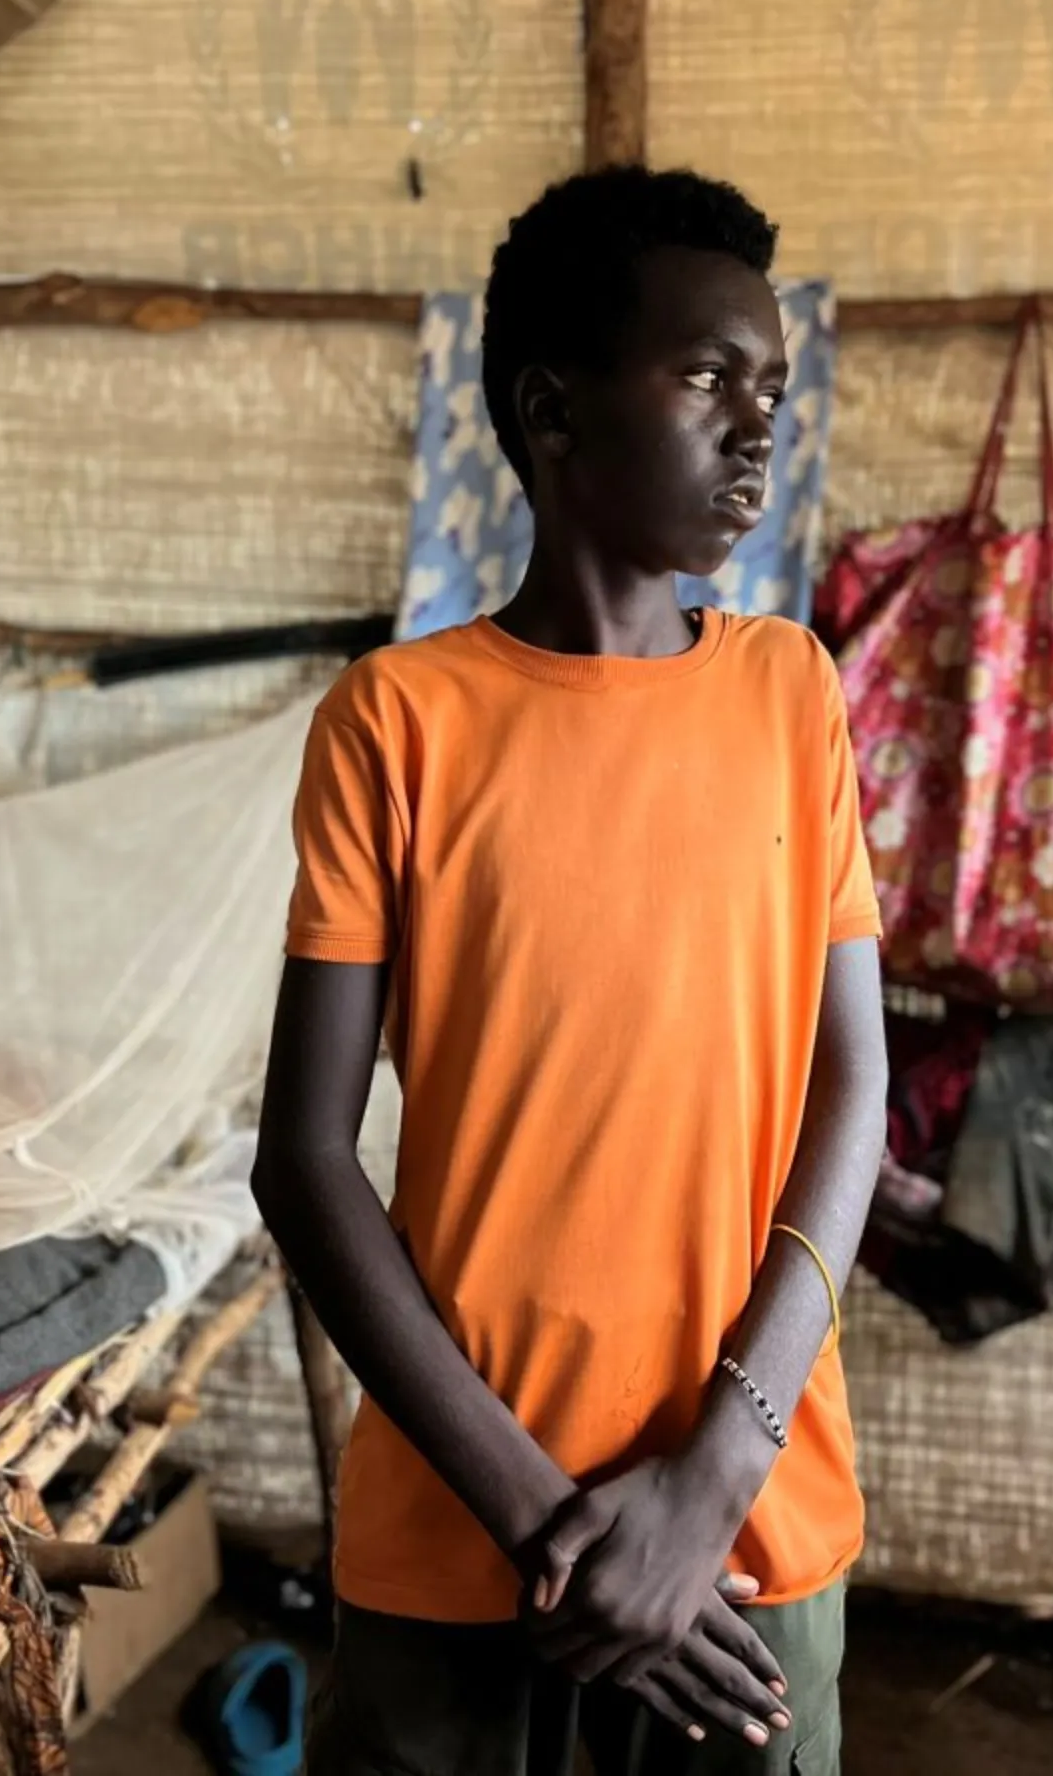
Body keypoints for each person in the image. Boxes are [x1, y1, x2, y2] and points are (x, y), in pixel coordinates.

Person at [252, 165, 889, 1776]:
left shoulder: (788, 695)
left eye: (772, 388)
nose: (757, 430)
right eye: (704, 378)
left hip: (744, 1525)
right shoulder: (401, 724)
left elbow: (852, 1086)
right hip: (467, 1543)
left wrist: (710, 1481)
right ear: (552, 407)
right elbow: (307, 1162)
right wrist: (552, 1520)